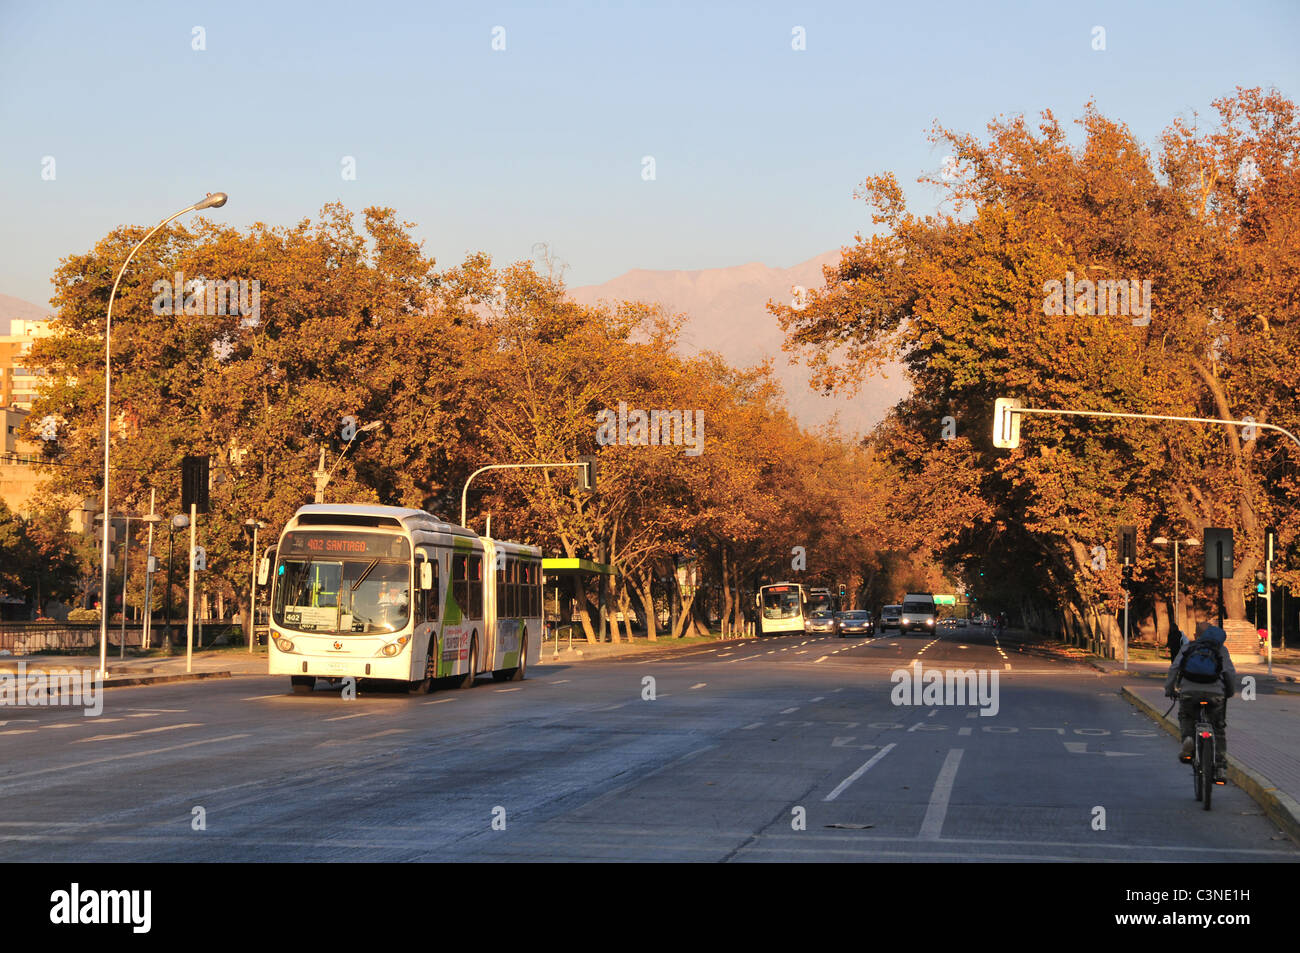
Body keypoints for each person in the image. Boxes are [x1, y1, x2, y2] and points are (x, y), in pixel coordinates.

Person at [1164, 621, 1237, 784]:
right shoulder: (1221, 650)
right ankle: (1219, 768)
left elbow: (1174, 669)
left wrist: (1169, 689)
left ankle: (1188, 739)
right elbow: (1230, 673)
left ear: (1196, 635)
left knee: (1186, 716)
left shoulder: (1187, 648)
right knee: (1218, 728)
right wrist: (1229, 692)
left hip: (1189, 692)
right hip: (1215, 694)